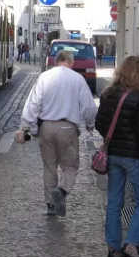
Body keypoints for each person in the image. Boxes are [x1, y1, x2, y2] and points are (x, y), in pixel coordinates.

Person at [96, 55, 139, 257]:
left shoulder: (108, 93)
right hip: (135, 158)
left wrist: (113, 140)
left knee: (114, 202)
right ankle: (132, 244)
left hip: (113, 156)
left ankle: (114, 249)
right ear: (134, 73)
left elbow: (99, 124)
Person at [20, 49, 98, 216]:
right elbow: (88, 107)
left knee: (49, 167)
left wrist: (27, 126)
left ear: (56, 61)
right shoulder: (78, 79)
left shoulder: (44, 77)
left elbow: (33, 103)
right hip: (67, 128)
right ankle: (61, 191)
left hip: (46, 127)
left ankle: (50, 205)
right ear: (71, 63)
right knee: (70, 166)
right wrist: (90, 125)